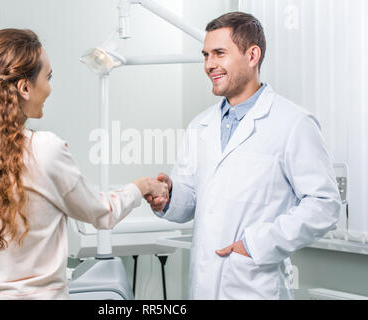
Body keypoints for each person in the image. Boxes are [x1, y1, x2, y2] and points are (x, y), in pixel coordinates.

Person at [0, 29, 168, 300]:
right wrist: (142, 186)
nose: (50, 88)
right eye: (48, 77)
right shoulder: (45, 151)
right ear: (25, 88)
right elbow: (103, 212)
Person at [145, 12, 341, 299]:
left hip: (254, 283)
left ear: (252, 55)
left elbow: (325, 205)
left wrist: (256, 244)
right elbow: (193, 202)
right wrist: (170, 197)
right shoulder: (200, 126)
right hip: (203, 283)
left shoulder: (293, 123)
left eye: (219, 53)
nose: (209, 64)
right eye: (206, 55)